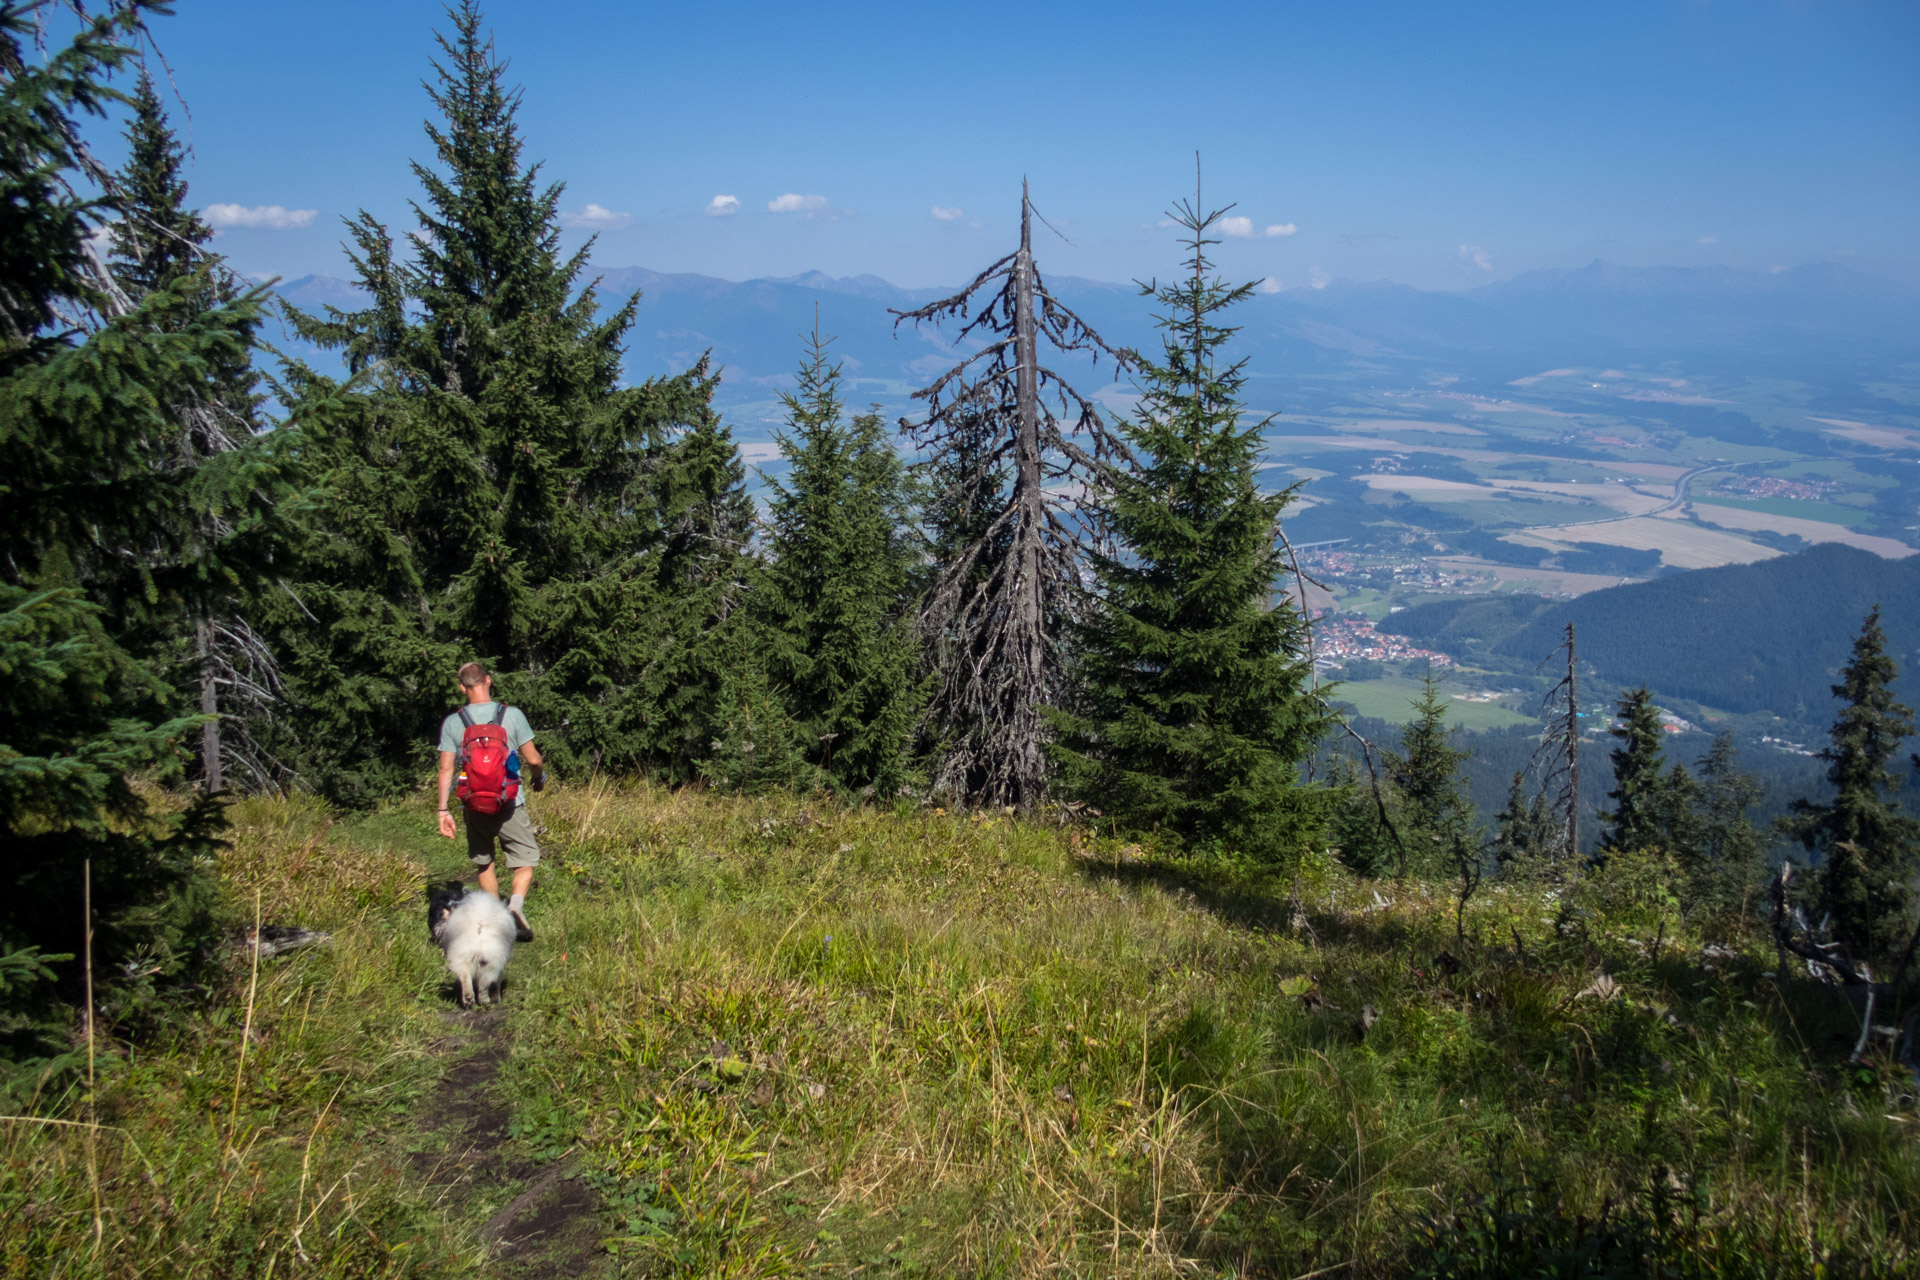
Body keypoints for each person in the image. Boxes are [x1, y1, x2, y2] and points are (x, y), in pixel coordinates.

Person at [436, 662, 545, 942]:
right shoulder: (512, 715)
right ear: (488, 680)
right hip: (510, 803)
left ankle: (497, 922)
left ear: (462, 687)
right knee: (524, 862)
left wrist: (443, 810)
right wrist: (538, 778)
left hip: (473, 804)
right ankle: (515, 907)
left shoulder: (453, 722)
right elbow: (533, 759)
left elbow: (446, 769)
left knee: (485, 864)